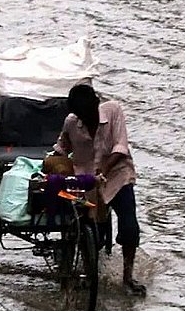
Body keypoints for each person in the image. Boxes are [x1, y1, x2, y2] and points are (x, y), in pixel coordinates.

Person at [53, 83, 146, 296]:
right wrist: (52, 165)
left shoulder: (113, 111)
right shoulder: (72, 123)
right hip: (87, 182)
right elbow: (62, 147)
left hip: (116, 176)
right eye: (81, 116)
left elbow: (120, 147)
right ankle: (89, 272)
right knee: (92, 233)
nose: (86, 120)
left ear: (97, 103)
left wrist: (104, 168)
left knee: (130, 226)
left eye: (88, 114)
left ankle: (128, 277)